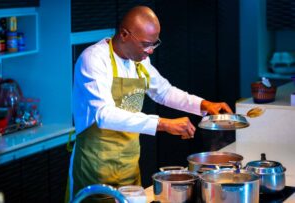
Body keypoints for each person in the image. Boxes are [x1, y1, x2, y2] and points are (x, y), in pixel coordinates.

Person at [68, 5, 232, 203]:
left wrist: (203, 105)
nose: (151, 50)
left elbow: (164, 92)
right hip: (95, 168)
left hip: (129, 165)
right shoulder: (94, 59)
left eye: (154, 44)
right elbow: (104, 115)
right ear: (124, 34)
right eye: (146, 44)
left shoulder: (139, 61)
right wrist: (163, 123)